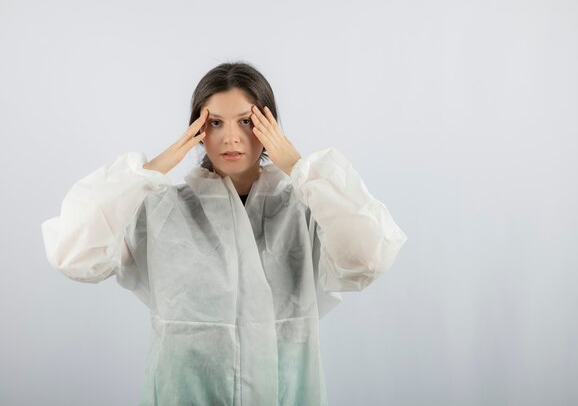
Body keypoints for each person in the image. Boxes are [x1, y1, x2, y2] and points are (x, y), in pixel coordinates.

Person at [41, 61, 407, 406]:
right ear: (197, 131)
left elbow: (370, 255)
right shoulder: (162, 210)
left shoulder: (306, 209)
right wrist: (153, 168)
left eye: (246, 121)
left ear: (270, 127)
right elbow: (73, 253)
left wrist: (299, 167)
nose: (230, 137)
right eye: (215, 123)